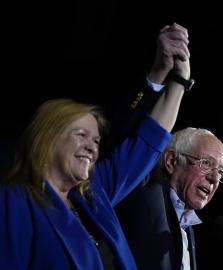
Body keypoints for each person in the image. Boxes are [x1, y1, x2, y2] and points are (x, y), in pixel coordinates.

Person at [0, 22, 191, 270]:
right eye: (82, 135)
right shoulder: (13, 200)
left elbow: (150, 138)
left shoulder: (95, 193)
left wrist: (179, 78)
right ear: (47, 137)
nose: (92, 147)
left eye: (96, 140)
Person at [116, 126, 223, 270]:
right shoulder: (142, 194)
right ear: (171, 161)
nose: (214, 178)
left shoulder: (188, 226)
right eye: (206, 163)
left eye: (220, 172)